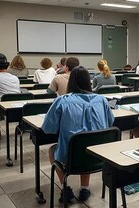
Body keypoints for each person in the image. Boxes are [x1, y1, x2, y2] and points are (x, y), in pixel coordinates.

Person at [41, 66, 114, 203]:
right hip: (99, 155)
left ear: (71, 82)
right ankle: (85, 188)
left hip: (71, 156)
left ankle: (65, 187)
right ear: (89, 81)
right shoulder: (102, 100)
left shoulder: (62, 101)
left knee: (52, 151)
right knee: (87, 142)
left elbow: (47, 129)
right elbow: (110, 122)